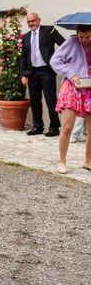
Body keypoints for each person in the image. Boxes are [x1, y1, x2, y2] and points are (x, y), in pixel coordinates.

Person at [49, 25, 91, 174]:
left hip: (89, 87)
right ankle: (62, 160)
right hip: (72, 85)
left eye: (87, 37)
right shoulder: (71, 42)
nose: (84, 40)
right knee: (67, 127)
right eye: (81, 37)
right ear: (77, 34)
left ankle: (88, 161)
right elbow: (55, 61)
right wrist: (71, 73)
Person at [20, 12, 65, 137]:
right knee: (35, 100)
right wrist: (23, 74)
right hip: (32, 72)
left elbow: (64, 44)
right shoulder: (26, 37)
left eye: (33, 21)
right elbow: (23, 57)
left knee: (51, 99)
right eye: (28, 21)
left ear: (39, 20)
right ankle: (38, 126)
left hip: (46, 71)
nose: (31, 23)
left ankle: (54, 127)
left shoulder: (49, 30)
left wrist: (58, 61)